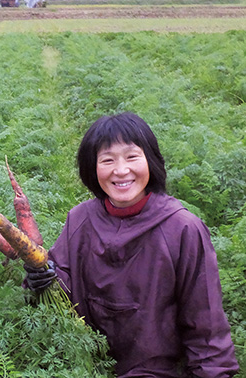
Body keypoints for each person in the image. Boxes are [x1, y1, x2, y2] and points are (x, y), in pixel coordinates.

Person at [23, 112, 239, 377]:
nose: (121, 170)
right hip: (87, 366)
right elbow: (62, 292)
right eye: (108, 160)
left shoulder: (182, 229)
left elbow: (207, 327)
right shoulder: (80, 219)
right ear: (93, 168)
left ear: (151, 161)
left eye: (132, 157)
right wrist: (42, 278)